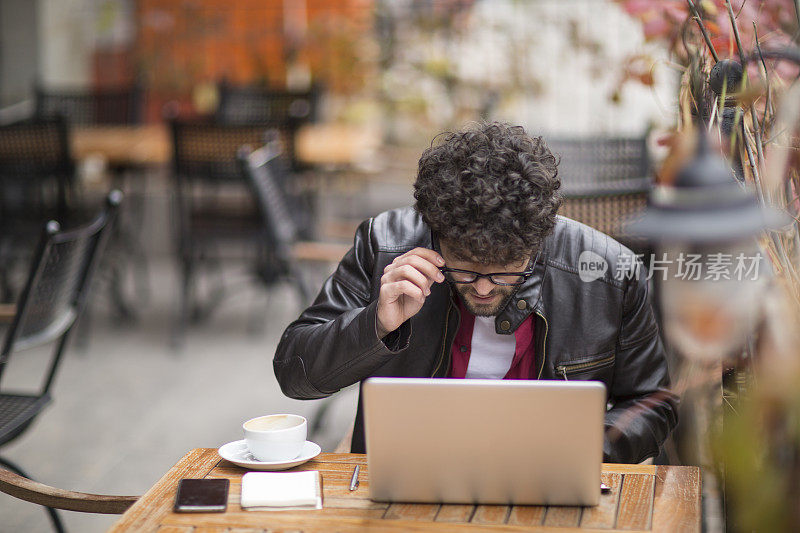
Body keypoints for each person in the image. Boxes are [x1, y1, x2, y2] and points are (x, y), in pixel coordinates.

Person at [274, 122, 678, 463]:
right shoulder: (383, 245)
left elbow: (652, 404)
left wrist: (578, 452)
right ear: (435, 232)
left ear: (538, 240)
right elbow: (296, 376)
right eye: (464, 267)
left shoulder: (611, 272)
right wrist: (377, 324)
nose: (483, 287)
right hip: (407, 476)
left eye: (504, 270)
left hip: (547, 476)